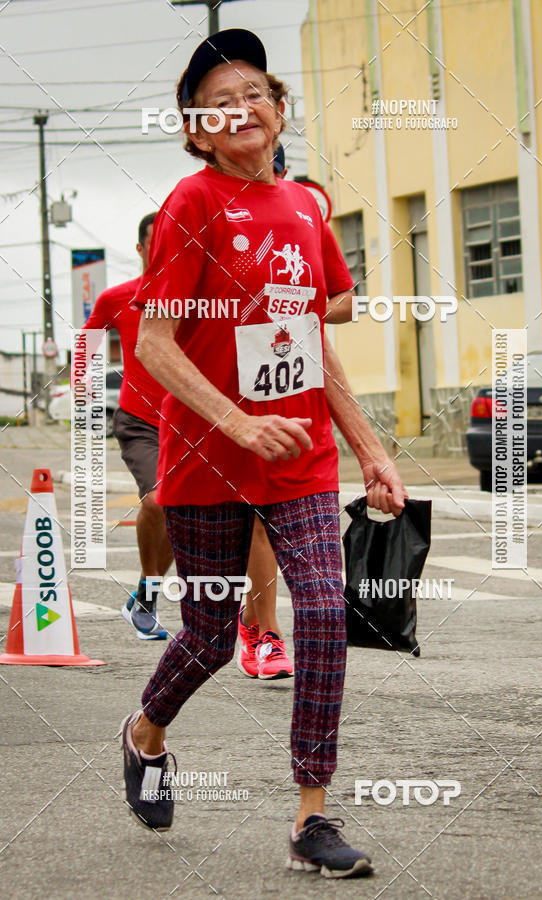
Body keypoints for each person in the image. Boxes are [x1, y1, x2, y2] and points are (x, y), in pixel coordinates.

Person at [120, 29, 407, 878]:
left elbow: (313, 341)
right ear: (198, 131)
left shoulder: (304, 213)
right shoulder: (191, 204)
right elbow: (155, 344)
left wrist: (370, 449)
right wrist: (238, 423)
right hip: (208, 459)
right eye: (215, 103)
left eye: (252, 91)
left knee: (321, 613)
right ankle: (145, 734)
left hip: (300, 460)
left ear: (280, 110)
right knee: (210, 635)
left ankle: (311, 818)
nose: (237, 108)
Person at [237, 144, 354, 680]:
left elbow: (345, 302)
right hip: (239, 402)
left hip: (300, 392)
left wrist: (292, 303)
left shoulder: (304, 214)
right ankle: (264, 631)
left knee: (293, 537)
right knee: (257, 519)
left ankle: (262, 626)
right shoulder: (220, 218)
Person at [75, 214, 171, 639]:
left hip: (192, 425)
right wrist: (84, 403)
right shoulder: (119, 298)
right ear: (140, 249)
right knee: (157, 501)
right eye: (156, 241)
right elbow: (87, 346)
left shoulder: (201, 298)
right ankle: (149, 596)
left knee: (182, 516)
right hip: (140, 421)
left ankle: (144, 593)